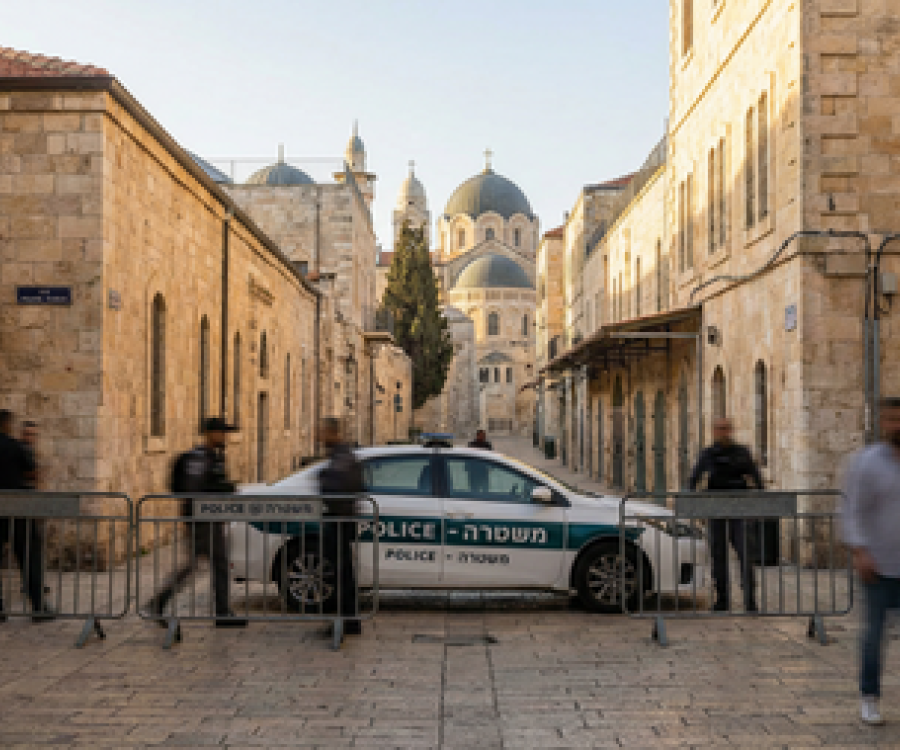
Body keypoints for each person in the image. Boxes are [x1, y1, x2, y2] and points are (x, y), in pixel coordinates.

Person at [145, 417, 247, 628]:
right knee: (213, 564)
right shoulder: (199, 459)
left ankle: (160, 602)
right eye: (221, 432)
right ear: (210, 433)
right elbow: (194, 489)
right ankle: (220, 613)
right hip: (202, 520)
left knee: (200, 565)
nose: (225, 437)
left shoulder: (212, 457)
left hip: (208, 519)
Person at [841, 397, 900, 726]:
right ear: (882, 423)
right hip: (878, 565)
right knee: (875, 634)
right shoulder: (867, 463)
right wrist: (860, 551)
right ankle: (869, 697)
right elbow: (852, 511)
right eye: (891, 419)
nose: (896, 425)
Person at [688, 417, 763, 613]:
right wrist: (692, 502)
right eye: (719, 429)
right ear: (715, 431)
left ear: (730, 430)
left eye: (726, 428)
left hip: (739, 508)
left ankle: (750, 600)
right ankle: (722, 599)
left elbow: (755, 476)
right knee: (718, 554)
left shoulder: (741, 452)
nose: (723, 432)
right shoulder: (708, 454)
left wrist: (759, 502)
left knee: (745, 553)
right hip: (716, 508)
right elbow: (694, 478)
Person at [0, 410, 53, 622]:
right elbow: (31, 472)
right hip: (18, 509)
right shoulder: (15, 447)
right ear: (6, 425)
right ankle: (38, 607)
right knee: (30, 557)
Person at [318, 417, 364, 638]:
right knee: (342, 574)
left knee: (341, 574)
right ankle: (348, 620)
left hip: (340, 520)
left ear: (333, 432)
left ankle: (346, 622)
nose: (320, 436)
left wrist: (324, 478)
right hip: (340, 519)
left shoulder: (342, 457)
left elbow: (337, 486)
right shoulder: (340, 455)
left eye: (323, 432)